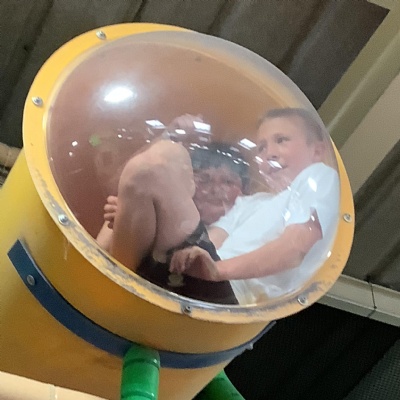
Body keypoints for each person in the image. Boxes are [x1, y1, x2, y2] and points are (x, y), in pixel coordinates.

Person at [104, 108, 339, 305]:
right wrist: (139, 215)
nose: (269, 154)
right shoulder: (254, 202)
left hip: (231, 295)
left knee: (162, 159)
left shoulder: (319, 177)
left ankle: (116, 289)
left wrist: (218, 271)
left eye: (281, 140)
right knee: (145, 177)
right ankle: (117, 284)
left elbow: (294, 248)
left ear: (317, 151)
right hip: (201, 278)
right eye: (261, 147)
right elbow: (210, 242)